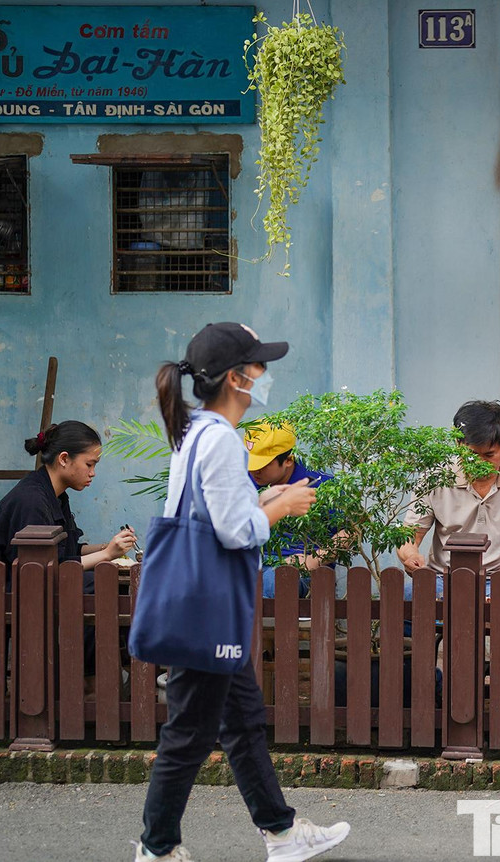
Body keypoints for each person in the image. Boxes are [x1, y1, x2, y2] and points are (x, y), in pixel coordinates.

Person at [136, 321, 350, 862]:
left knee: (244, 721)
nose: (264, 375)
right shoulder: (222, 440)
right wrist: (278, 507)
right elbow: (234, 531)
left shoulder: (195, 434)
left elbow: (211, 516)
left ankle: (281, 832)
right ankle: (157, 848)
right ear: (237, 378)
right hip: (209, 609)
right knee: (188, 732)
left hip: (204, 607)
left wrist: (267, 498)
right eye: (259, 366)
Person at [0, 420, 138, 672]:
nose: (93, 473)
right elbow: (43, 570)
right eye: (89, 464)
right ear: (64, 459)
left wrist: (106, 547)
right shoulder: (31, 501)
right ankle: (90, 679)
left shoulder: (56, 495)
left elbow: (68, 552)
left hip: (34, 589)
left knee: (103, 579)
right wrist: (107, 554)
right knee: (96, 584)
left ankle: (114, 665)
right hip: (10, 598)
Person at [397, 400, 500, 603]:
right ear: (458, 445)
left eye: (489, 455)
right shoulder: (435, 477)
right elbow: (409, 536)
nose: (479, 463)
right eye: (471, 455)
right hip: (443, 578)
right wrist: (410, 555)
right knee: (403, 600)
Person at [245, 421, 341, 599]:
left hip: (302, 572)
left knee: (276, 579)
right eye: (251, 462)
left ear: (288, 460)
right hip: (253, 564)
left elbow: (352, 531)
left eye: (263, 464)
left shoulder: (320, 484)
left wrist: (312, 559)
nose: (254, 470)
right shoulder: (245, 481)